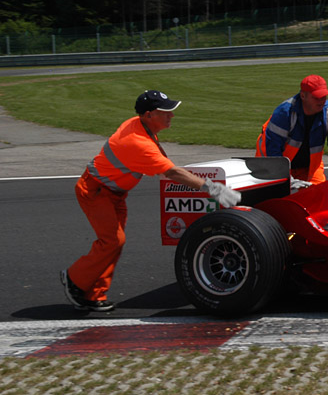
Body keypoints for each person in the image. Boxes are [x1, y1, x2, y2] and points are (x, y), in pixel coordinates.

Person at [61, 90, 241, 312]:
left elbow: (163, 159)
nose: (171, 115)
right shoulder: (137, 143)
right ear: (148, 115)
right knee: (112, 242)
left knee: (114, 244)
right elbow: (172, 173)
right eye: (165, 111)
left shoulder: (140, 126)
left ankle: (94, 294)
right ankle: (74, 279)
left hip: (113, 193)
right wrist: (211, 188)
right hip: (96, 192)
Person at [256, 74, 328, 186]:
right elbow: (273, 152)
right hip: (273, 165)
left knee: (319, 196)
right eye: (316, 97)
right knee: (279, 198)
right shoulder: (284, 113)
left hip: (310, 167)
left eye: (324, 97)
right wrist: (288, 180)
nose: (321, 101)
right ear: (303, 96)